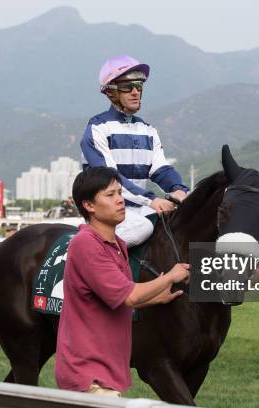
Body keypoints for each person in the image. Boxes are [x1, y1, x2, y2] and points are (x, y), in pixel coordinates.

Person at [55, 167, 190, 397]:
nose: (120, 200)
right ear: (88, 205)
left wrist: (156, 298)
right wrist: (170, 276)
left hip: (108, 373)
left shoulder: (117, 244)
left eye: (120, 193)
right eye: (110, 195)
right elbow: (129, 295)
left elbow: (114, 299)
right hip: (89, 376)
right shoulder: (86, 243)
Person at [80, 55, 189, 246]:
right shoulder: (98, 128)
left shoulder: (148, 130)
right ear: (110, 92)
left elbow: (161, 169)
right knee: (143, 228)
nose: (135, 92)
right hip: (106, 212)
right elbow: (110, 178)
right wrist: (152, 200)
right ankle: (85, 251)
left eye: (139, 86)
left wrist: (178, 189)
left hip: (140, 209)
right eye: (127, 87)